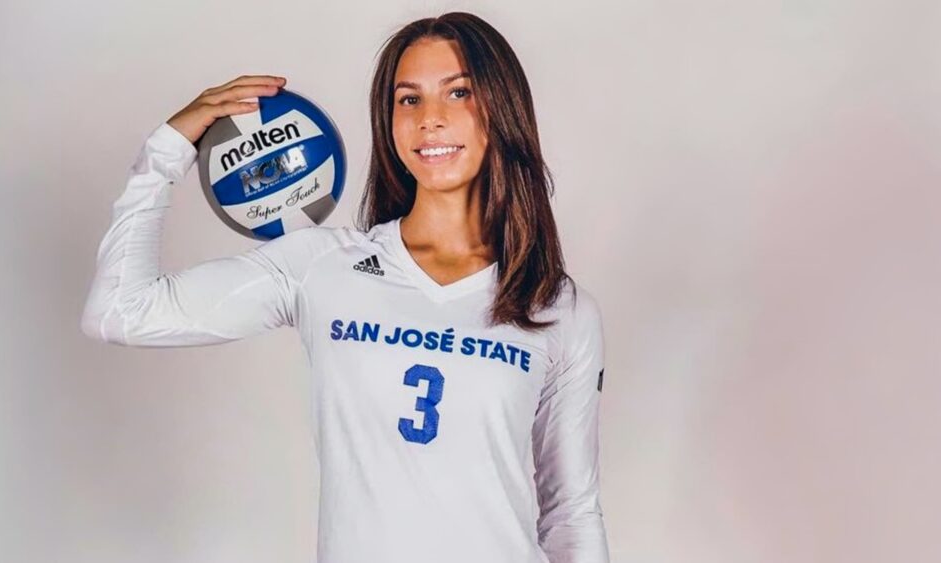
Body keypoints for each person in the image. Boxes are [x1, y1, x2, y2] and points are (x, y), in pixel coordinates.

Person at [81, 11, 610, 563]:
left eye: (459, 93)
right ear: (388, 121)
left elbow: (571, 510)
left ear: (502, 108)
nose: (430, 119)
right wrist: (167, 150)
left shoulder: (558, 307)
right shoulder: (323, 266)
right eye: (409, 99)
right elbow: (120, 311)